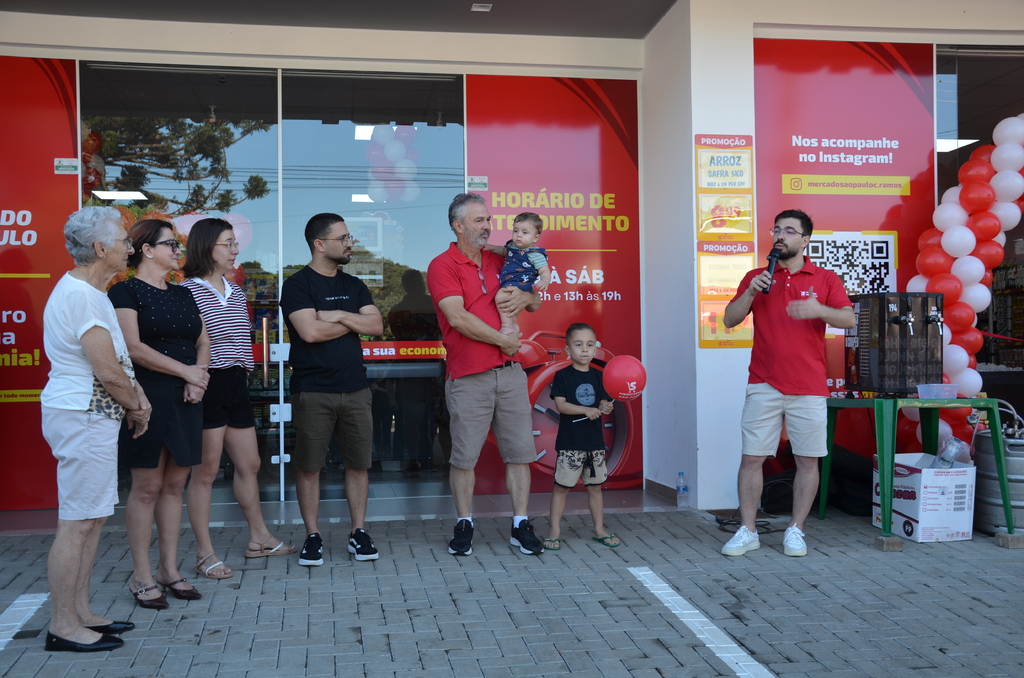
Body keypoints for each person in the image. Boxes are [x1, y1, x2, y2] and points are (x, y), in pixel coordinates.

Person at [40, 207, 151, 652]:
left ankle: (81, 613)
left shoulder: (90, 291)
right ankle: (63, 626)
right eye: (123, 240)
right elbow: (107, 370)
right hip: (85, 413)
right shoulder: (84, 297)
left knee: (92, 517)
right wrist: (137, 407)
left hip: (91, 415)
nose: (129, 247)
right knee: (78, 522)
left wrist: (134, 398)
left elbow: (116, 363)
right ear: (100, 248)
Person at [720, 209, 854, 558]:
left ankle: (796, 530)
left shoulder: (824, 279)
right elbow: (729, 319)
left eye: (789, 231)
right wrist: (750, 292)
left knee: (808, 461)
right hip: (763, 383)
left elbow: (850, 318)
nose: (780, 235)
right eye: (777, 229)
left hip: (808, 386)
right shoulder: (757, 276)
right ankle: (748, 530)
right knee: (751, 458)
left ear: (805, 239)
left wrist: (819, 310)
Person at [426, 193, 545, 556]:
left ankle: (520, 524)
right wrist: (504, 343)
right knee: (463, 458)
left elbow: (535, 299)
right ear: (457, 225)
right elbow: (458, 318)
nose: (487, 226)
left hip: (509, 375)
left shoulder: (501, 257)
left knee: (520, 454)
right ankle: (465, 523)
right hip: (468, 376)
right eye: (479, 221)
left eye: (489, 219)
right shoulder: (442, 265)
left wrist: (525, 299)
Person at [180, 218, 296, 579]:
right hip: (208, 383)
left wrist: (245, 374)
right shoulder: (187, 291)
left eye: (234, 243)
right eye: (227, 244)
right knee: (206, 473)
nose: (235, 250)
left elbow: (241, 342)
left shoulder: (233, 290)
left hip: (235, 382)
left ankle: (259, 539)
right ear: (206, 248)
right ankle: (205, 554)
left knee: (251, 464)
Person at [110, 219, 210, 605]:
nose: (177, 251)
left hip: (186, 396)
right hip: (146, 397)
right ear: (147, 250)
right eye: (171, 244)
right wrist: (186, 371)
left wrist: (196, 377)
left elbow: (203, 340)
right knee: (148, 487)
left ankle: (169, 570)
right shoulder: (124, 291)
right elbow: (132, 348)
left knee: (174, 486)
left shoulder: (185, 294)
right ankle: (141, 575)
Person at [280, 213, 383, 565]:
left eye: (349, 236)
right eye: (343, 238)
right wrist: (353, 321)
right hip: (312, 390)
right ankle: (313, 535)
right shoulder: (297, 285)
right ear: (320, 244)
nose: (350, 243)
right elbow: (310, 333)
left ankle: (358, 532)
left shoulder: (354, 285)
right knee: (310, 467)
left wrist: (336, 314)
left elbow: (377, 325)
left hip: (356, 389)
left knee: (358, 465)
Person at [542, 323, 618, 551]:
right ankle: (554, 531)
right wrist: (585, 410)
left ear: (596, 349)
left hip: (594, 444)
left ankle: (599, 529)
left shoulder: (600, 376)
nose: (584, 349)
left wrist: (606, 409)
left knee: (595, 487)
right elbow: (561, 405)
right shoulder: (562, 376)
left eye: (590, 345)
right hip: (570, 445)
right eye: (578, 345)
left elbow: (604, 402)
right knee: (562, 487)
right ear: (567, 350)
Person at [483, 212, 551, 336]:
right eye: (515, 231)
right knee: (512, 309)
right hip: (510, 280)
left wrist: (545, 280)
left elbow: (544, 270)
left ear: (535, 238)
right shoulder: (512, 246)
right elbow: (504, 251)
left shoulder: (534, 254)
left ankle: (506, 326)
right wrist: (491, 247)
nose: (519, 235)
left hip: (521, 282)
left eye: (525, 232)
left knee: (501, 297)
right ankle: (513, 326)